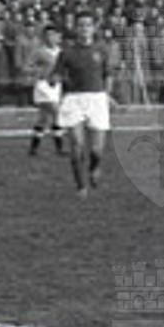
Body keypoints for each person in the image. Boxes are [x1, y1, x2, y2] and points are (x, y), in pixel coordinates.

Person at [54, 13, 112, 196]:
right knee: (77, 144)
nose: (84, 28)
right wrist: (54, 79)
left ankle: (94, 167)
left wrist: (107, 95)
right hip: (74, 99)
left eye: (88, 25)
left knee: (97, 149)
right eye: (81, 25)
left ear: (93, 28)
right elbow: (56, 74)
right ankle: (81, 186)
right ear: (76, 28)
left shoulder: (102, 50)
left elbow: (108, 74)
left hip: (97, 98)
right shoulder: (67, 52)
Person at [27, 24, 65, 158]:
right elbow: (28, 67)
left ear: (58, 37)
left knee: (43, 119)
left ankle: (34, 148)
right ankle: (60, 148)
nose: (51, 38)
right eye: (48, 35)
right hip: (43, 85)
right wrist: (39, 72)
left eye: (53, 35)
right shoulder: (39, 52)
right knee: (56, 111)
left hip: (56, 86)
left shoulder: (61, 52)